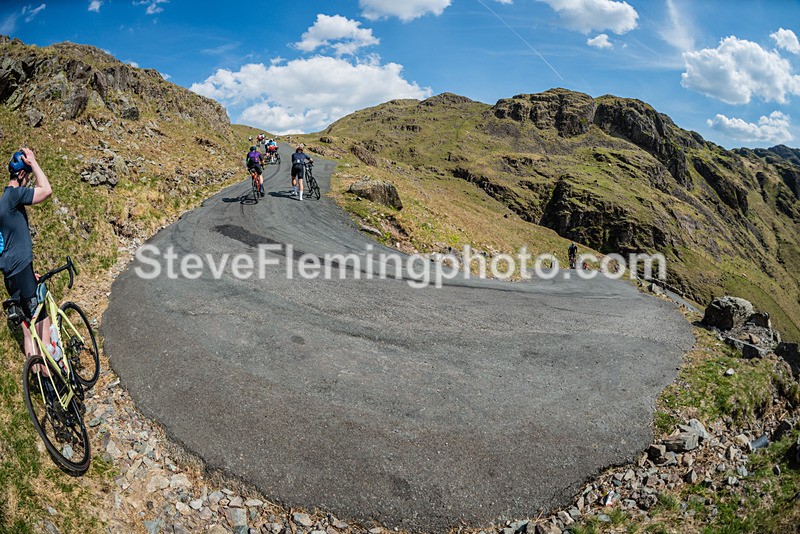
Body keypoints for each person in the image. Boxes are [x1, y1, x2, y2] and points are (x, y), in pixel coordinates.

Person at [1, 148, 53, 358]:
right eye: (28, 176)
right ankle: (51, 383)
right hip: (21, 271)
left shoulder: (2, 202)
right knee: (43, 329)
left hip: (10, 277)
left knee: (27, 332)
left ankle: (39, 382)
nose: (29, 180)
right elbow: (46, 190)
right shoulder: (14, 196)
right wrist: (33, 162)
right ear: (22, 174)